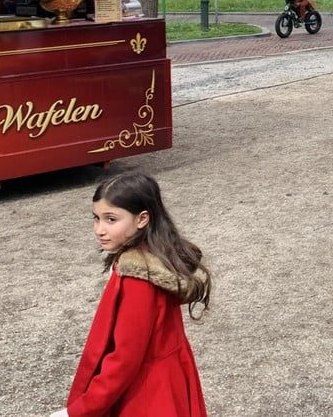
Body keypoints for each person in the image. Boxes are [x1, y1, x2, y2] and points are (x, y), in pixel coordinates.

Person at [48, 171, 211, 417]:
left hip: (148, 392)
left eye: (111, 219)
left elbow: (125, 359)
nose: (99, 229)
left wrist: (79, 410)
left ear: (142, 219)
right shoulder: (155, 255)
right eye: (96, 218)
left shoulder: (138, 277)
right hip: (167, 378)